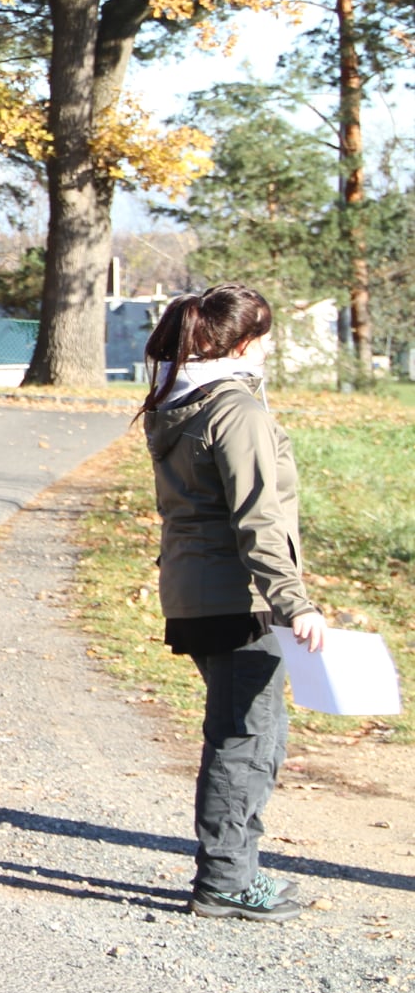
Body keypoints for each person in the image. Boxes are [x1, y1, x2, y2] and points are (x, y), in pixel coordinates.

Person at [140, 283, 326, 922]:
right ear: (243, 343)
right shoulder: (235, 410)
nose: (269, 348)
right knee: (247, 739)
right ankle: (226, 880)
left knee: (248, 733)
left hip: (194, 593)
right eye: (264, 336)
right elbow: (258, 519)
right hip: (240, 598)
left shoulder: (177, 400)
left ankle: (235, 868)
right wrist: (294, 601)